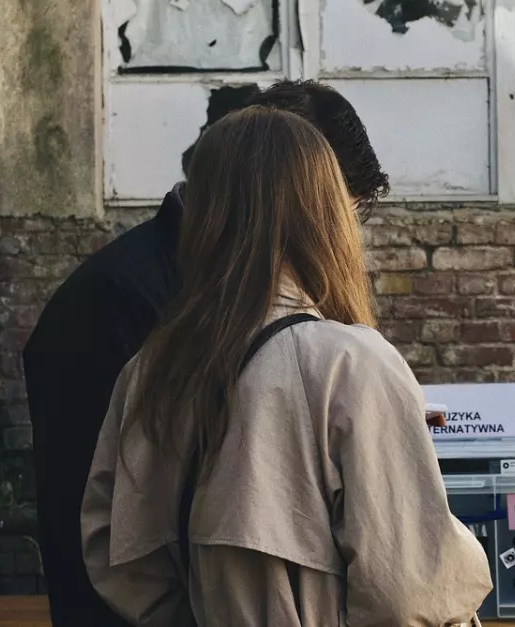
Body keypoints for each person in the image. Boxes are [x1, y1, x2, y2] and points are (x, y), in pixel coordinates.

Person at [81, 107, 492, 626]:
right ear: (322, 213)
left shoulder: (152, 369)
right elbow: (412, 593)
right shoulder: (352, 364)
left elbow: (114, 552)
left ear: (206, 214)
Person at [23, 81, 391, 627]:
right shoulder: (121, 303)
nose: (341, 238)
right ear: (284, 188)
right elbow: (113, 539)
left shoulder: (217, 303)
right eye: (336, 210)